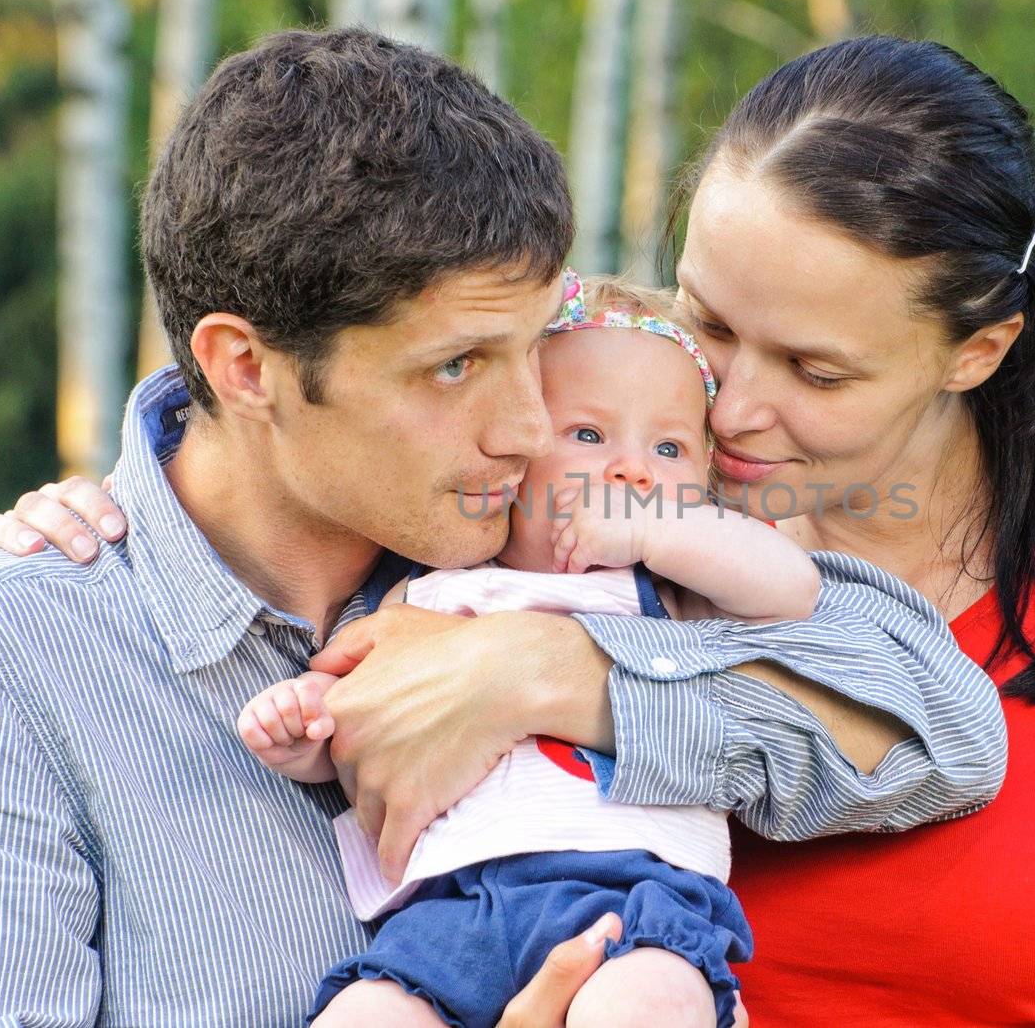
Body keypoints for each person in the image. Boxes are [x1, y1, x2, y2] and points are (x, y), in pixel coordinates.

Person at [0, 34, 1035, 1023]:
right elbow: (357, 374)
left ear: (977, 349)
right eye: (708, 321)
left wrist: (553, 673)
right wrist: (128, 496)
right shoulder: (547, 510)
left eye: (817, 370)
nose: (734, 402)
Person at [0, 30, 1008, 1026]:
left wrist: (545, 670)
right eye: (458, 365)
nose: (528, 426)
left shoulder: (537, 547)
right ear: (245, 366)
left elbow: (946, 728)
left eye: (533, 348)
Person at [249, 274, 818, 1028]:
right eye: (588, 435)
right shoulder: (433, 591)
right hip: (453, 907)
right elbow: (368, 722)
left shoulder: (673, 592)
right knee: (363, 1013)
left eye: (671, 447)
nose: (632, 470)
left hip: (633, 896)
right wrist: (308, 728)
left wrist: (656, 533)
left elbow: (791, 589)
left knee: (643, 1005)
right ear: (513, 452)